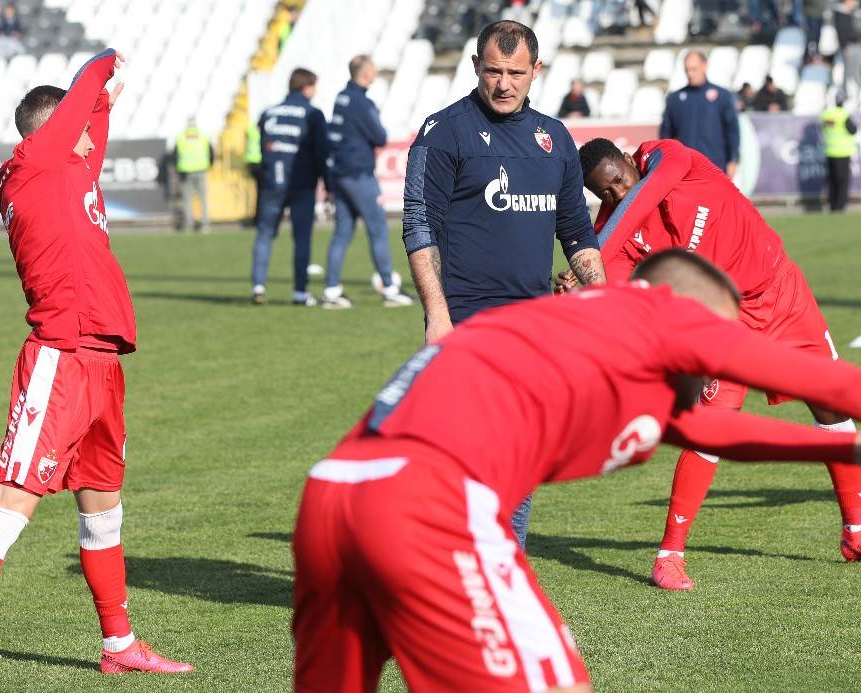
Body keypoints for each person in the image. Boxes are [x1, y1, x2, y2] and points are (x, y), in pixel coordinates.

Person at [292, 248, 861, 693]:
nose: (718, 364)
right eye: (718, 341)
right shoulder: (664, 313)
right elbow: (808, 371)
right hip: (430, 503)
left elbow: (708, 429)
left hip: (332, 496)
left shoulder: (598, 340)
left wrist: (847, 448)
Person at [0, 50, 193, 693]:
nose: (93, 142)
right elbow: (86, 95)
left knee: (104, 511)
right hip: (60, 359)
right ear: (53, 129)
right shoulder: (34, 168)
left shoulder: (68, 170)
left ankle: (120, 644)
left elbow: (94, 112)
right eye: (81, 127)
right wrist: (104, 62)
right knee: (9, 507)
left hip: (103, 363)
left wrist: (104, 94)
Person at [571, 137, 861, 591]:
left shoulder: (673, 158)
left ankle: (858, 533)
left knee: (833, 407)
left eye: (619, 182)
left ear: (627, 159)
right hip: (725, 321)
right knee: (712, 427)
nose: (619, 196)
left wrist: (598, 243)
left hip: (782, 293)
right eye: (607, 194)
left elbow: (638, 201)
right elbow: (616, 291)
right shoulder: (616, 230)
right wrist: (584, 280)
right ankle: (670, 554)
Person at [401, 20, 606, 548]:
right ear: (475, 67)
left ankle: (497, 568)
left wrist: (601, 297)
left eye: (516, 72)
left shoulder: (554, 138)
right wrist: (436, 314)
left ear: (536, 71)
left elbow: (577, 232)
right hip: (466, 322)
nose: (504, 83)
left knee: (518, 457)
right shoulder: (444, 132)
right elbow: (419, 221)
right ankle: (462, 566)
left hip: (534, 328)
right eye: (493, 70)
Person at [322, 55, 413, 309]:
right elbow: (380, 136)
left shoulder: (341, 98)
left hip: (340, 173)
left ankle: (331, 291)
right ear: (365, 72)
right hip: (358, 173)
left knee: (342, 232)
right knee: (377, 229)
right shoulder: (362, 103)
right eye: (373, 68)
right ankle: (390, 288)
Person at [250, 67, 329, 307]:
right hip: (302, 184)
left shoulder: (268, 113)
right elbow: (321, 153)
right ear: (307, 87)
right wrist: (328, 184)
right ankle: (299, 292)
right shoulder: (313, 114)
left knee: (264, 233)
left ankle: (258, 286)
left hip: (272, 182)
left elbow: (261, 148)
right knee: (302, 238)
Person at [660, 50, 740, 178]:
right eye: (687, 70)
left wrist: (733, 160)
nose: (690, 74)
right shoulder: (674, 99)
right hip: (685, 169)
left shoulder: (722, 96)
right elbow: (666, 135)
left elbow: (732, 132)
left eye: (693, 69)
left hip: (716, 165)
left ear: (704, 66)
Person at [173, 117, 213, 233]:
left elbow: (175, 155)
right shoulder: (203, 136)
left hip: (186, 171)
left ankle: (189, 224)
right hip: (201, 170)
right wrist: (208, 164)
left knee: (187, 199)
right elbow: (211, 153)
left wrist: (179, 167)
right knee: (203, 199)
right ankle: (205, 224)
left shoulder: (181, 137)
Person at [822, 94, 858, 212]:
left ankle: (832, 204)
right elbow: (853, 130)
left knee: (832, 180)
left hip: (829, 151)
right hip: (842, 152)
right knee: (842, 180)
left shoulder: (826, 114)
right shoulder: (843, 115)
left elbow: (824, 128)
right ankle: (840, 206)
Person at [834, 0, 861, 99]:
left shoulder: (853, 13)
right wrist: (845, 46)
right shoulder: (841, 14)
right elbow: (842, 32)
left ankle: (856, 92)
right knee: (849, 72)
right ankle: (847, 92)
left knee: (857, 71)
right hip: (848, 47)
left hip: (854, 46)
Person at [244, 115, 263, 226]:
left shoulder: (251, 130)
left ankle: (256, 217)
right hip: (260, 163)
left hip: (251, 162)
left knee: (257, 191)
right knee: (262, 192)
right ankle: (259, 218)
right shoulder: (265, 131)